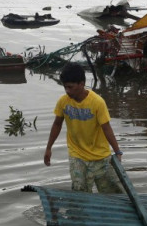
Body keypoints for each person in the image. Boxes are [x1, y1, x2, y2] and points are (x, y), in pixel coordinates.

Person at [44, 63, 125, 194]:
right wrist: (48, 148)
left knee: (113, 193)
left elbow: (107, 128)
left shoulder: (97, 102)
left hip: (100, 156)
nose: (67, 91)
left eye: (70, 87)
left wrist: (118, 152)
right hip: (77, 155)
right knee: (79, 190)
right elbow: (57, 124)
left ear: (81, 84)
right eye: (65, 87)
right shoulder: (63, 102)